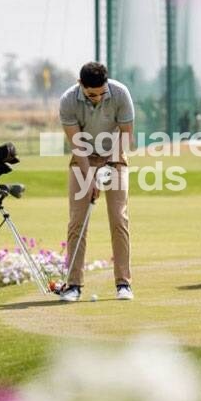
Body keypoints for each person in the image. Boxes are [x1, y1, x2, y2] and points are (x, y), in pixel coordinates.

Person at [58, 61, 135, 301]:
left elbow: (126, 135)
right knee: (77, 221)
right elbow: (77, 145)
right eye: (92, 94)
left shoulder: (120, 93)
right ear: (81, 85)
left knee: (118, 217)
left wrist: (110, 167)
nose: (98, 98)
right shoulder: (68, 101)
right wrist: (90, 180)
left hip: (115, 155)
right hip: (84, 159)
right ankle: (73, 285)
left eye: (102, 93)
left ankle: (124, 284)